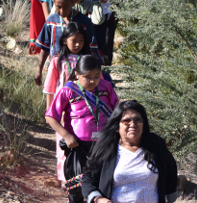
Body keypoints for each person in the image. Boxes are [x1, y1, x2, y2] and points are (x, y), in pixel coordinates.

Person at [45, 55, 119, 203]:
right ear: (77, 74)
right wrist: (67, 136)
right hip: (78, 147)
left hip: (103, 145)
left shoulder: (106, 87)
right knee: (77, 188)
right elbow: (50, 117)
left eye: (97, 76)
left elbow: (118, 112)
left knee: (102, 187)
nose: (93, 81)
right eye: (88, 77)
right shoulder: (68, 91)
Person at [82, 100, 178, 203]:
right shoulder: (106, 148)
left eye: (137, 120)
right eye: (126, 120)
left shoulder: (156, 145)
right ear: (117, 126)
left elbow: (170, 170)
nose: (133, 124)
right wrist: (98, 199)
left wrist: (169, 197)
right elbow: (88, 180)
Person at [43, 22, 91, 185]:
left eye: (81, 40)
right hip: (61, 107)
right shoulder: (57, 61)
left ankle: (80, 174)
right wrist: (50, 111)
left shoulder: (87, 60)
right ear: (64, 40)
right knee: (63, 140)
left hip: (82, 108)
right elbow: (50, 87)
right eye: (73, 40)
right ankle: (65, 177)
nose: (78, 44)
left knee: (81, 138)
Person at [34, 0, 98, 85]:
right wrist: (39, 70)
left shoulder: (84, 22)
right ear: (53, 2)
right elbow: (45, 47)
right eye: (58, 7)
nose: (62, 10)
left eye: (66, 7)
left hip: (80, 71)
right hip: (57, 69)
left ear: (73, 3)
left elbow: (92, 50)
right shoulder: (51, 21)